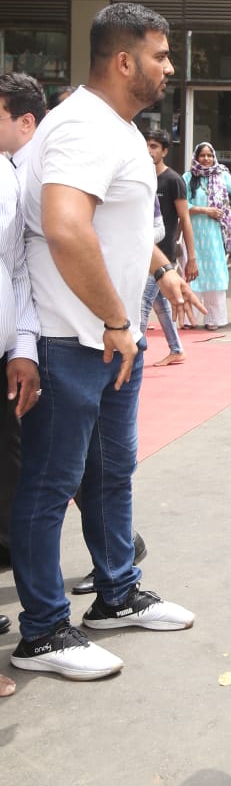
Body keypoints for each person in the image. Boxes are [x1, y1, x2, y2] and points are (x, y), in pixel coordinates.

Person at [10, 3, 202, 682]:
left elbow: (116, 225)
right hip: (74, 341)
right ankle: (43, 632)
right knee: (49, 486)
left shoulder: (116, 127)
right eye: (160, 56)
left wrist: (163, 270)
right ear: (123, 61)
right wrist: (118, 323)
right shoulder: (82, 128)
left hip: (111, 341)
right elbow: (66, 228)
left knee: (110, 474)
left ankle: (116, 593)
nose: (169, 68)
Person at [0, 72, 46, 583]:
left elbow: (17, 267)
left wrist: (22, 344)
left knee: (22, 451)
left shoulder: (22, 171)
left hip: (26, 336)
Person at [0, 147, 41, 695]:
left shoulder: (8, 173)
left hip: (4, 354)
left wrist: (24, 346)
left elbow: (16, 264)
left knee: (8, 483)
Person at [146, 128, 198, 361]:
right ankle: (177, 350)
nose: (149, 150)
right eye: (147, 145)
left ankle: (133, 355)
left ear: (164, 151)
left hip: (164, 254)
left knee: (143, 306)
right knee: (160, 304)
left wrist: (191, 258)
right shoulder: (142, 177)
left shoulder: (173, 180)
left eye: (154, 146)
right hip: (144, 252)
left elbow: (185, 219)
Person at [183, 142, 231, 330]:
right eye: (202, 156)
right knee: (192, 274)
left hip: (215, 236)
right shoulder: (188, 178)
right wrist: (204, 210)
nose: (206, 159)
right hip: (193, 233)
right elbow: (182, 204)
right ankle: (190, 319)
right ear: (196, 157)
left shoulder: (222, 176)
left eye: (209, 155)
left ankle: (214, 319)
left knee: (214, 273)